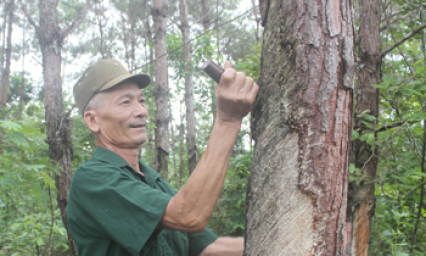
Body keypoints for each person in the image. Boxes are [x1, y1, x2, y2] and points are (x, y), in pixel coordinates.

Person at [67, 59, 259, 256]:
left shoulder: (152, 181)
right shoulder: (92, 179)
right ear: (93, 120)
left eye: (141, 101)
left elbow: (209, 248)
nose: (141, 111)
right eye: (125, 102)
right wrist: (229, 119)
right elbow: (190, 215)